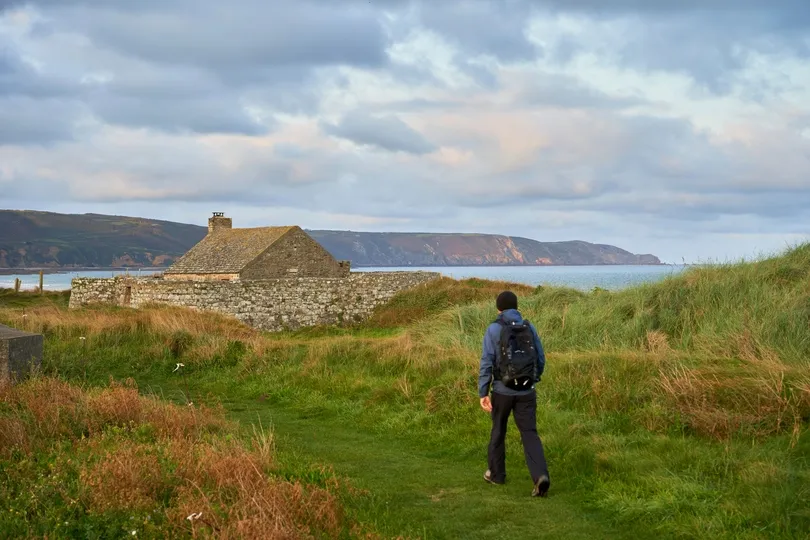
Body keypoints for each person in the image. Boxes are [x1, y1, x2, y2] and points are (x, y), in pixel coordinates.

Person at [478, 290, 550, 497]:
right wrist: (533, 379)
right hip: (527, 391)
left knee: (498, 430)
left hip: (502, 391)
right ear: (516, 307)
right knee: (530, 434)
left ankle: (496, 474)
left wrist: (483, 391)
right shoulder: (529, 326)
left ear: (498, 308)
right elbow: (541, 357)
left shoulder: (493, 329)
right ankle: (540, 477)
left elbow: (487, 362)